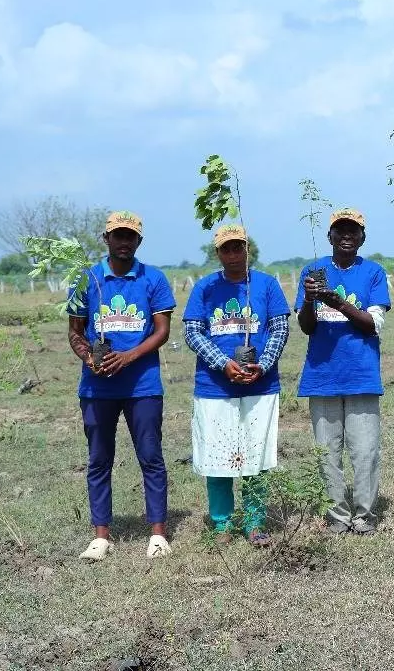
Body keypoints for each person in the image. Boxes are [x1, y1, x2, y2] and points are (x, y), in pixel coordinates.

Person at [67, 211, 176, 561]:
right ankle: (101, 536)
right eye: (118, 235)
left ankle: (158, 533)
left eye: (131, 236)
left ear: (139, 241)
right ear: (106, 239)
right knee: (99, 458)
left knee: (151, 457)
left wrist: (128, 357)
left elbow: (161, 331)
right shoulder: (87, 279)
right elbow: (75, 330)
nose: (124, 241)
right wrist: (88, 356)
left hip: (143, 386)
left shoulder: (153, 279)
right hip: (97, 389)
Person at [183, 225, 291, 547]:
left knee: (255, 457)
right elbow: (193, 332)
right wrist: (222, 363)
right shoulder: (204, 288)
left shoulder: (267, 285)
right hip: (215, 388)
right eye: (225, 249)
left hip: (260, 386)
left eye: (238, 247)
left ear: (248, 249)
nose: (232, 254)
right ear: (217, 253)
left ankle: (255, 522)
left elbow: (280, 329)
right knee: (217, 457)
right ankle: (222, 523)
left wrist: (264, 364)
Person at [296, 208, 392, 535]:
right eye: (341, 230)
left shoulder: (373, 273)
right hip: (322, 375)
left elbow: (373, 324)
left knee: (364, 452)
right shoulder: (313, 270)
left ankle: (364, 516)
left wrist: (337, 303)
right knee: (328, 453)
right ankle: (338, 517)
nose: (347, 236)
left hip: (361, 374)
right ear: (330, 236)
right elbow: (307, 327)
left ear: (363, 237)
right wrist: (310, 301)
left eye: (353, 231)